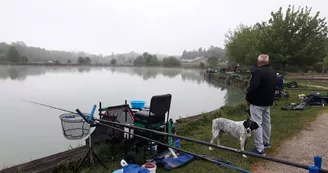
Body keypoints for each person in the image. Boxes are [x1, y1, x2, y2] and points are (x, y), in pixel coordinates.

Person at [246, 54, 277, 155]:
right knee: (266, 122)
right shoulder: (272, 71)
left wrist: (248, 98)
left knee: (257, 124)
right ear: (267, 62)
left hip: (257, 102)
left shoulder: (258, 71)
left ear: (258, 61)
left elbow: (253, 87)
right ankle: (266, 142)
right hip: (268, 101)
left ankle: (259, 149)